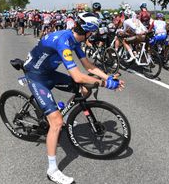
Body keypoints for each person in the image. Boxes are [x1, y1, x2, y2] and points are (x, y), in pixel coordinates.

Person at [23, 12, 125, 184]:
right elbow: (78, 76)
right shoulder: (64, 41)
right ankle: (52, 170)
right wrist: (104, 84)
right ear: (89, 32)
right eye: (93, 33)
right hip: (36, 76)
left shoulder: (75, 40)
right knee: (55, 123)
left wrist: (107, 77)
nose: (93, 36)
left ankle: (62, 113)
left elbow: (88, 66)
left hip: (49, 73)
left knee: (85, 90)